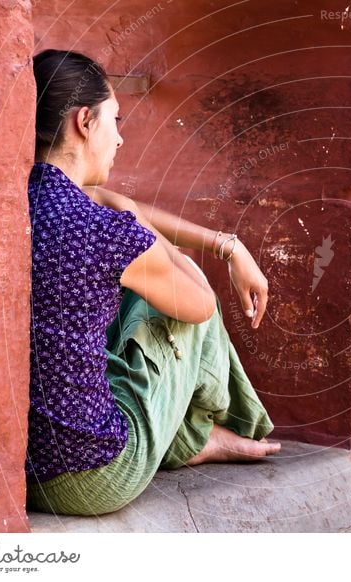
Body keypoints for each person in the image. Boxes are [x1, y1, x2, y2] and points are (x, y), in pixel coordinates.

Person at [26, 49, 280, 516]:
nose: (119, 139)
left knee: (126, 298)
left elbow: (98, 202)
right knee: (188, 283)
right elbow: (200, 305)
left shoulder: (19, 199)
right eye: (114, 120)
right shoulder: (104, 229)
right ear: (85, 122)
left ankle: (189, 437)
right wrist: (130, 215)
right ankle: (200, 433)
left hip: (25, 471)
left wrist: (224, 243)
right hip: (95, 477)